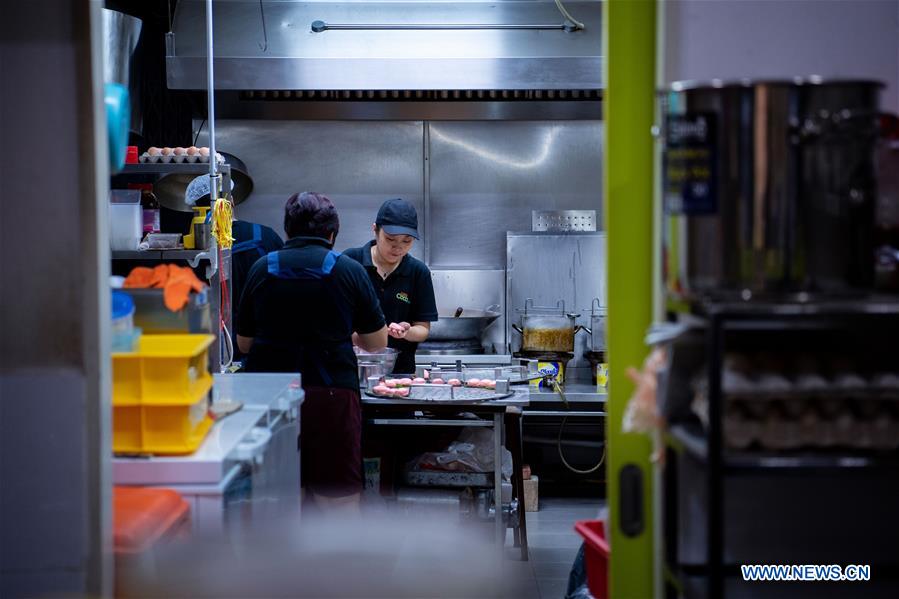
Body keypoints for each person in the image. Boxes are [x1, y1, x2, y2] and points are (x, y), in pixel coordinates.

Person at [236, 192, 388, 511]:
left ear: (288, 232)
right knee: (338, 502)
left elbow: (244, 344)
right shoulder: (349, 271)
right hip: (332, 397)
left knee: (275, 501)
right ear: (332, 234)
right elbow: (377, 343)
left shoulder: (263, 269)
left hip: (271, 400)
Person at [344, 199, 438, 375]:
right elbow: (334, 321)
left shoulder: (418, 272)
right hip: (352, 369)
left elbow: (423, 329)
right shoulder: (350, 262)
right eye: (390, 239)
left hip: (400, 374)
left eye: (407, 241)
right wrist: (361, 339)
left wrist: (406, 332)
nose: (398, 248)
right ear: (375, 230)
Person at [230, 220, 283, 361]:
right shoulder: (267, 236)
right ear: (233, 202)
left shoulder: (194, 246)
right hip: (265, 345)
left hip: (220, 344)